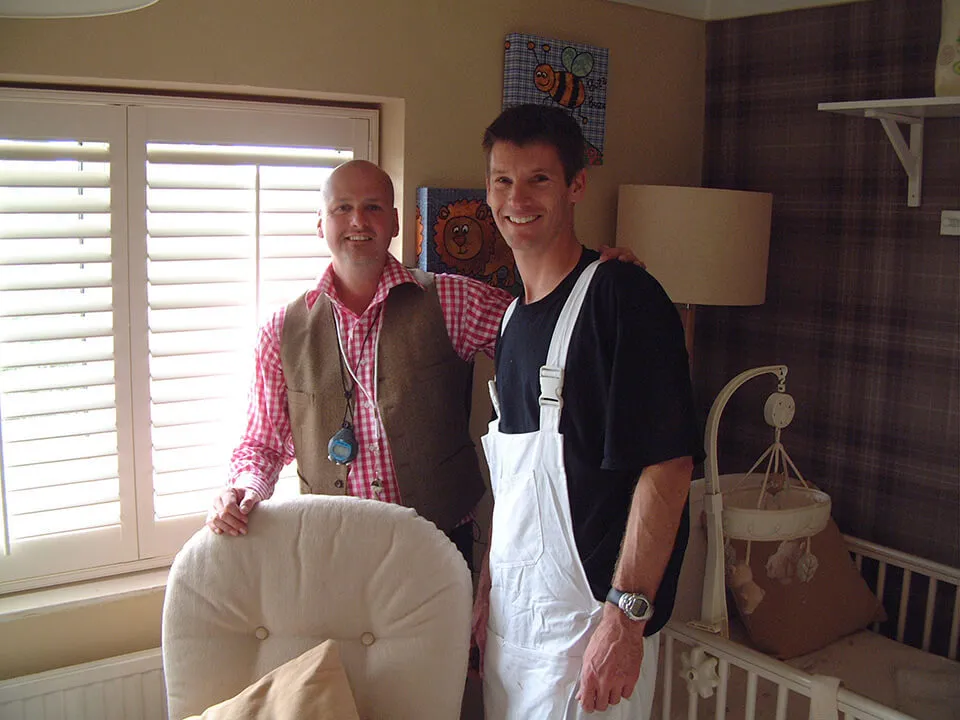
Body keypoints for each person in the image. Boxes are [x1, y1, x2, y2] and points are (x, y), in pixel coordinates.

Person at [204, 159, 640, 566]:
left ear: (395, 221)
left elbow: (543, 329)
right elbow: (262, 444)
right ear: (321, 223)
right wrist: (242, 491)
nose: (358, 221)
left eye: (373, 207)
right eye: (343, 208)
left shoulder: (451, 300)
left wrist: (596, 280)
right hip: (333, 551)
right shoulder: (280, 332)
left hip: (438, 545)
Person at [472, 104, 703, 719]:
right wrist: (489, 586)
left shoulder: (622, 297)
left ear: (576, 185)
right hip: (515, 634)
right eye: (502, 180)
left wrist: (625, 621)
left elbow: (669, 466)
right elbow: (516, 488)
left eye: (539, 179)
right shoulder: (511, 321)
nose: (517, 199)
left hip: (592, 638)